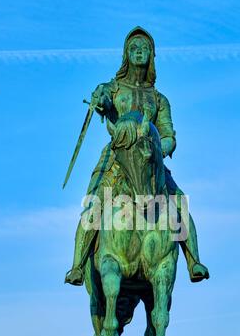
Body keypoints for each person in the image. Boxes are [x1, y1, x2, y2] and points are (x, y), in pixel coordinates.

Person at [65, 26, 209, 286]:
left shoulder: (159, 99)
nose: (139, 51)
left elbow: (168, 135)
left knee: (178, 203)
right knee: (93, 206)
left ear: (152, 55)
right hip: (115, 160)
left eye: (144, 47)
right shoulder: (114, 87)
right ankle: (77, 265)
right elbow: (106, 100)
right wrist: (101, 98)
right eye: (133, 47)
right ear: (126, 54)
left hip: (149, 160)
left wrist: (157, 150)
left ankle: (193, 260)